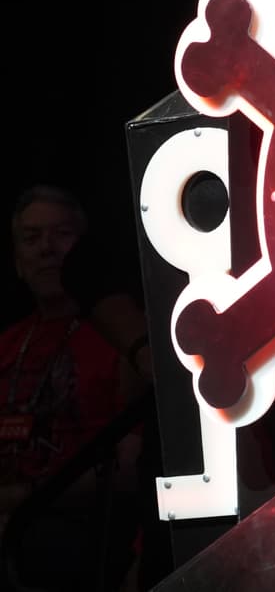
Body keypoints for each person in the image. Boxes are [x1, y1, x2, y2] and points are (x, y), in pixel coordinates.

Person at [0, 186, 139, 589]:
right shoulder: (6, 345)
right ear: (17, 261)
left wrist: (22, 500)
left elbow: (130, 469)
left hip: (84, 536)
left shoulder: (122, 339)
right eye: (31, 237)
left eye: (61, 235)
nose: (46, 249)